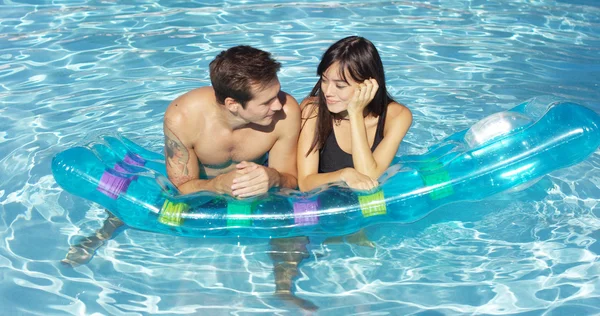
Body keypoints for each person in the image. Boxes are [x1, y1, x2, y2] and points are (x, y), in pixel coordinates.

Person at [63, 47, 308, 310]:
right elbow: (181, 186)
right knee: (135, 203)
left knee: (292, 219)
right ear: (232, 105)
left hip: (256, 182)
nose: (279, 104)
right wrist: (216, 185)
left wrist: (272, 177)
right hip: (200, 185)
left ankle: (283, 290)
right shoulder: (183, 117)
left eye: (278, 93)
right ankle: (101, 234)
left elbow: (290, 180)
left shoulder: (286, 113)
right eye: (267, 101)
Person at [270, 36, 413, 308]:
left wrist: (355, 113)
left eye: (340, 85)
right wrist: (343, 174)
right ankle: (283, 292)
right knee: (289, 226)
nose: (327, 91)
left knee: (364, 264)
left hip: (361, 205)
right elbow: (306, 182)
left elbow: (369, 175)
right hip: (318, 197)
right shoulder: (312, 109)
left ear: (368, 86)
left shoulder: (397, 116)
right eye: (324, 80)